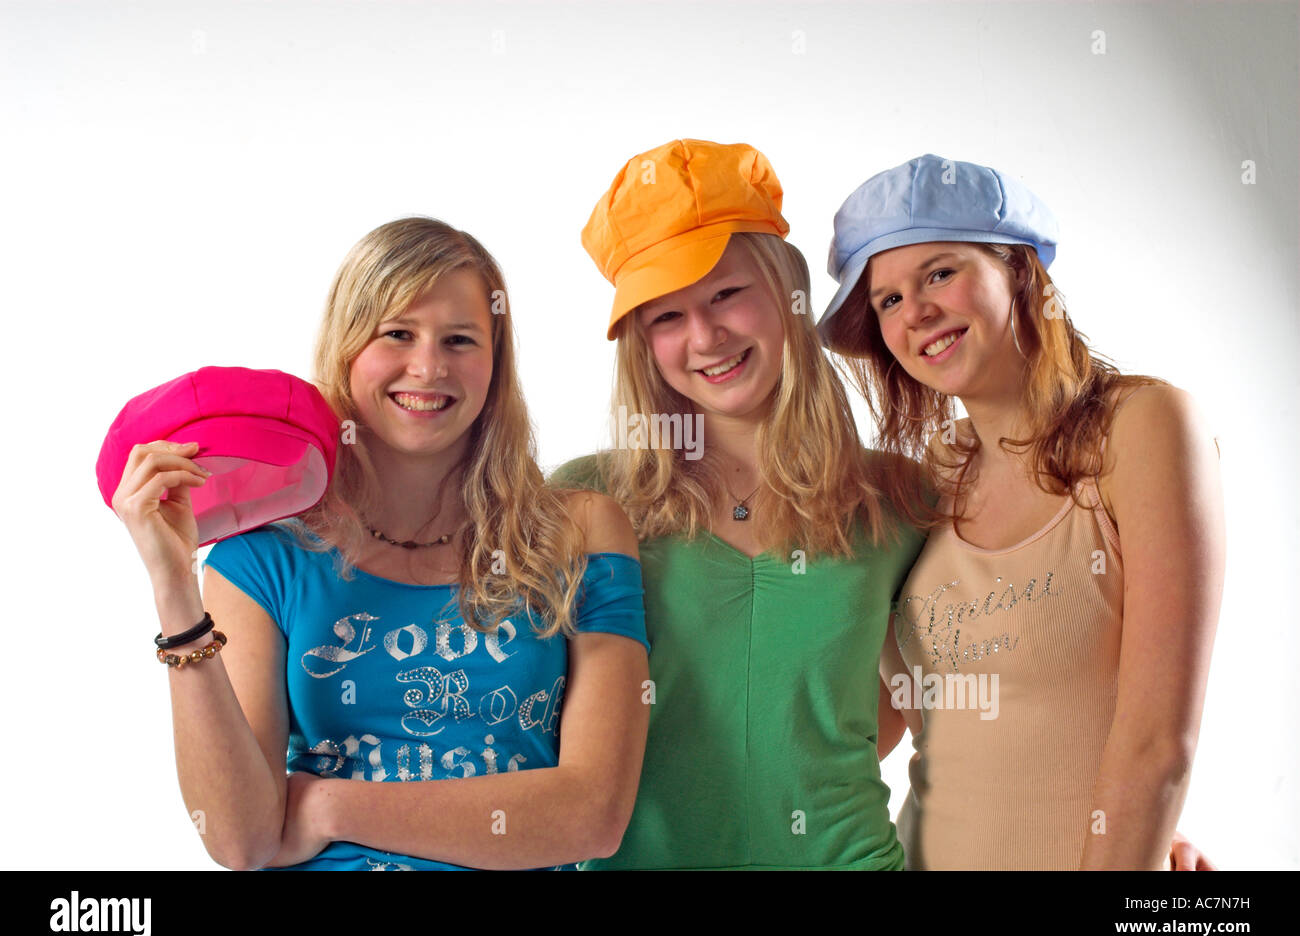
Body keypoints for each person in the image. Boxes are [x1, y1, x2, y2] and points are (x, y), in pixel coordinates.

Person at [110, 217, 651, 871]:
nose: (428, 366)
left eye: (459, 340)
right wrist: (173, 591)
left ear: (495, 364)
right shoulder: (262, 559)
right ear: (347, 346)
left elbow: (592, 817)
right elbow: (240, 839)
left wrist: (327, 806)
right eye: (397, 333)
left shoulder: (580, 532)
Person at [817, 154, 1224, 869]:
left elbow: (1160, 744)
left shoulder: (1147, 427)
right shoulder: (927, 482)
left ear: (1020, 269)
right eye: (886, 301)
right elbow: (890, 723)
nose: (916, 311)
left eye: (940, 272)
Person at [550, 139, 927, 869]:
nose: (705, 336)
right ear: (639, 343)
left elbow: (1012, 672)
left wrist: (1139, 831)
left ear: (787, 291)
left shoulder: (901, 499)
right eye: (665, 316)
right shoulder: (584, 501)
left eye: (727, 293)